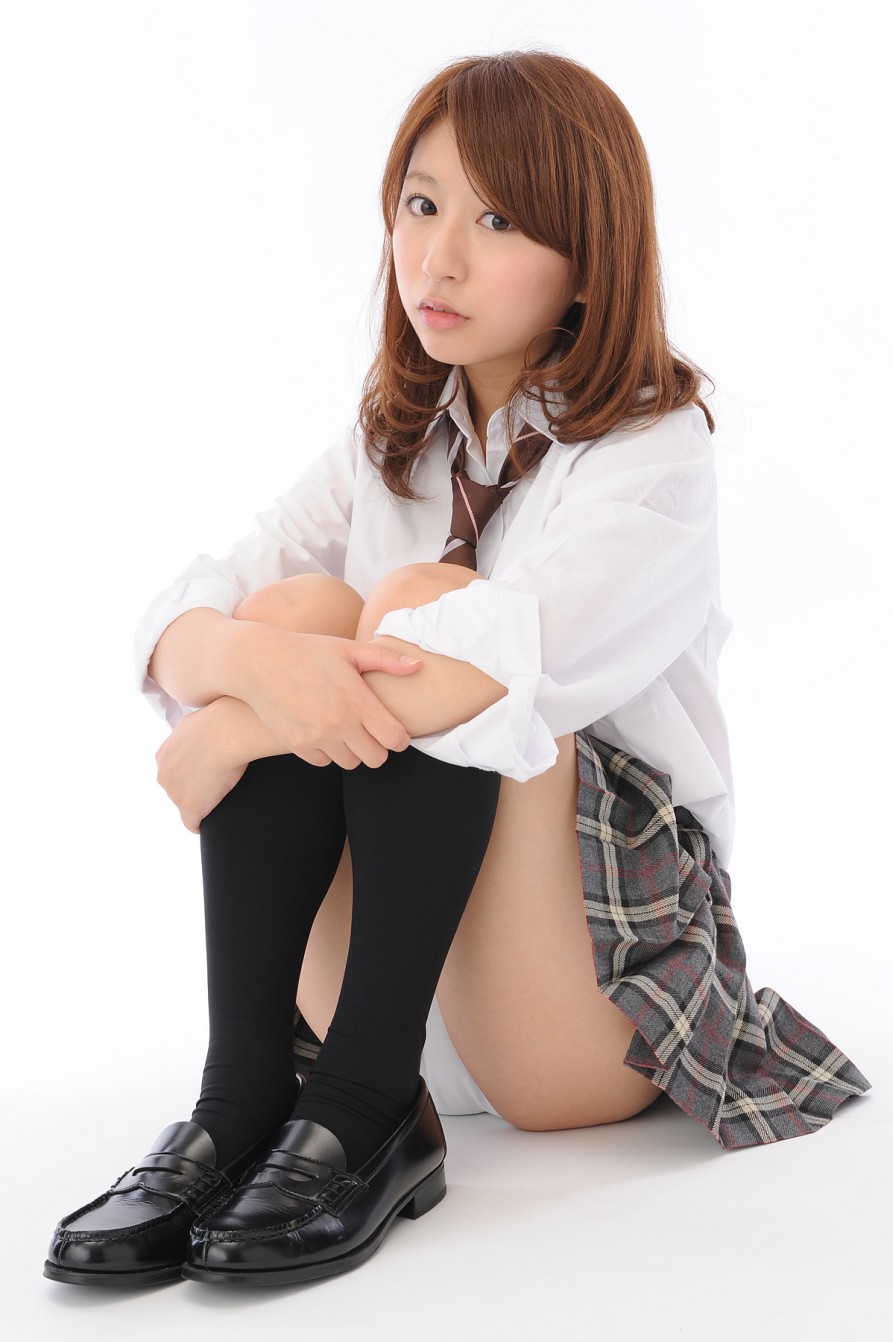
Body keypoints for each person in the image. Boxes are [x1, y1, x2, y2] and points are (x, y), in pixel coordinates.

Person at [44, 50, 870, 1290]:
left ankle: (362, 1105)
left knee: (430, 614)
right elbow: (187, 614)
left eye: (496, 222)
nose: (436, 260)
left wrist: (235, 724)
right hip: (399, 982)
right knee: (292, 607)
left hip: (574, 1005)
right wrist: (242, 659)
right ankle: (247, 1092)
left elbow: (502, 665)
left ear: (587, 258)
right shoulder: (394, 431)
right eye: (421, 205)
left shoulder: (651, 449)